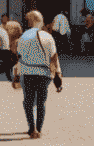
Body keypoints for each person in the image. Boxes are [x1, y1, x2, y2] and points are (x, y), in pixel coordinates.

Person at [12, 10, 61, 138]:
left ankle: (32, 128)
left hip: (27, 73)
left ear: (29, 21)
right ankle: (39, 129)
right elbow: (54, 57)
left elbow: (19, 58)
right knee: (41, 102)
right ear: (40, 21)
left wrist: (16, 75)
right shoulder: (47, 36)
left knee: (28, 101)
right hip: (44, 74)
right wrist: (58, 74)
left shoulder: (23, 37)